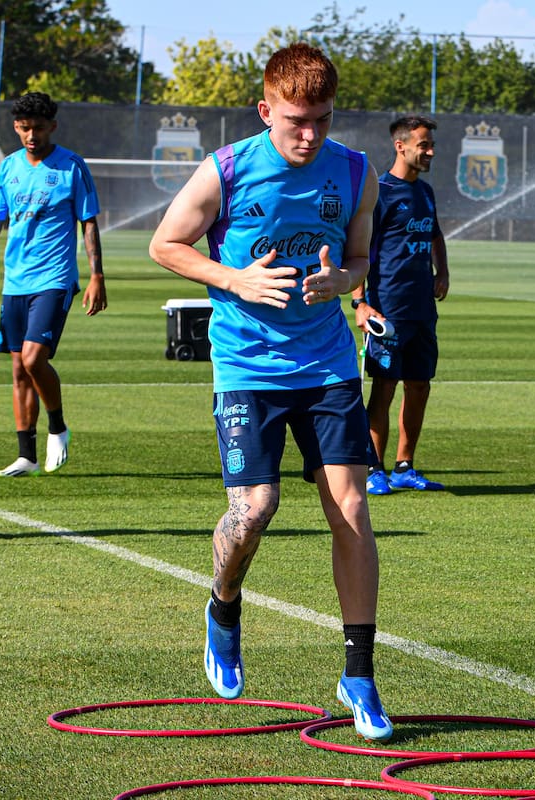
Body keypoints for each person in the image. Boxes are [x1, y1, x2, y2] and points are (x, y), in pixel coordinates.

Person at [148, 43, 392, 742]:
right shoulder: (226, 169)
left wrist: (345, 283)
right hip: (247, 368)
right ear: (265, 111)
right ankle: (223, 608)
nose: (309, 134)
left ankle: (360, 676)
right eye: (294, 120)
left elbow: (359, 255)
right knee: (255, 510)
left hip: (328, 367)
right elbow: (167, 244)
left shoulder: (354, 171)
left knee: (350, 510)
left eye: (320, 118)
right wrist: (235, 279)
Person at [0, 92, 106, 478]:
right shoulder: (8, 168)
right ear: (15, 128)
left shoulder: (72, 167)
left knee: (33, 358)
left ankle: (57, 425)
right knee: (19, 370)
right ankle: (26, 455)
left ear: (52, 126)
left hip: (55, 278)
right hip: (16, 281)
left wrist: (96, 275)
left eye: (38, 128)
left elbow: (88, 222)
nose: (31, 135)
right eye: (24, 128)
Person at [351, 115, 450, 496]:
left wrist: (442, 272)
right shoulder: (381, 192)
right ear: (401, 146)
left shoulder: (425, 192)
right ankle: (373, 467)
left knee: (420, 385)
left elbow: (436, 233)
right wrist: (360, 302)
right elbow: (359, 251)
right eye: (424, 145)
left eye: (431, 145)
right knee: (385, 386)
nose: (430, 152)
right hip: (387, 311)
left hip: (422, 309)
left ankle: (404, 466)